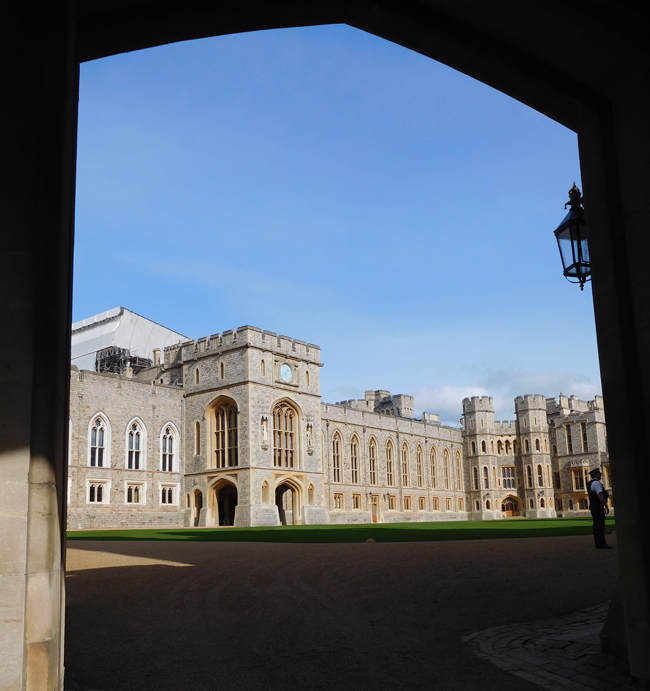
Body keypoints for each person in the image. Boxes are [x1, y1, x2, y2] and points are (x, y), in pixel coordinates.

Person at [587, 468, 612, 549]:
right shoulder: (596, 483)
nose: (600, 475)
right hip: (598, 507)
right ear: (596, 475)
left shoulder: (590, 483)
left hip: (593, 507)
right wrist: (606, 505)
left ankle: (599, 543)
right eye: (599, 474)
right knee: (600, 526)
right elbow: (600, 495)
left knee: (597, 526)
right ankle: (601, 543)